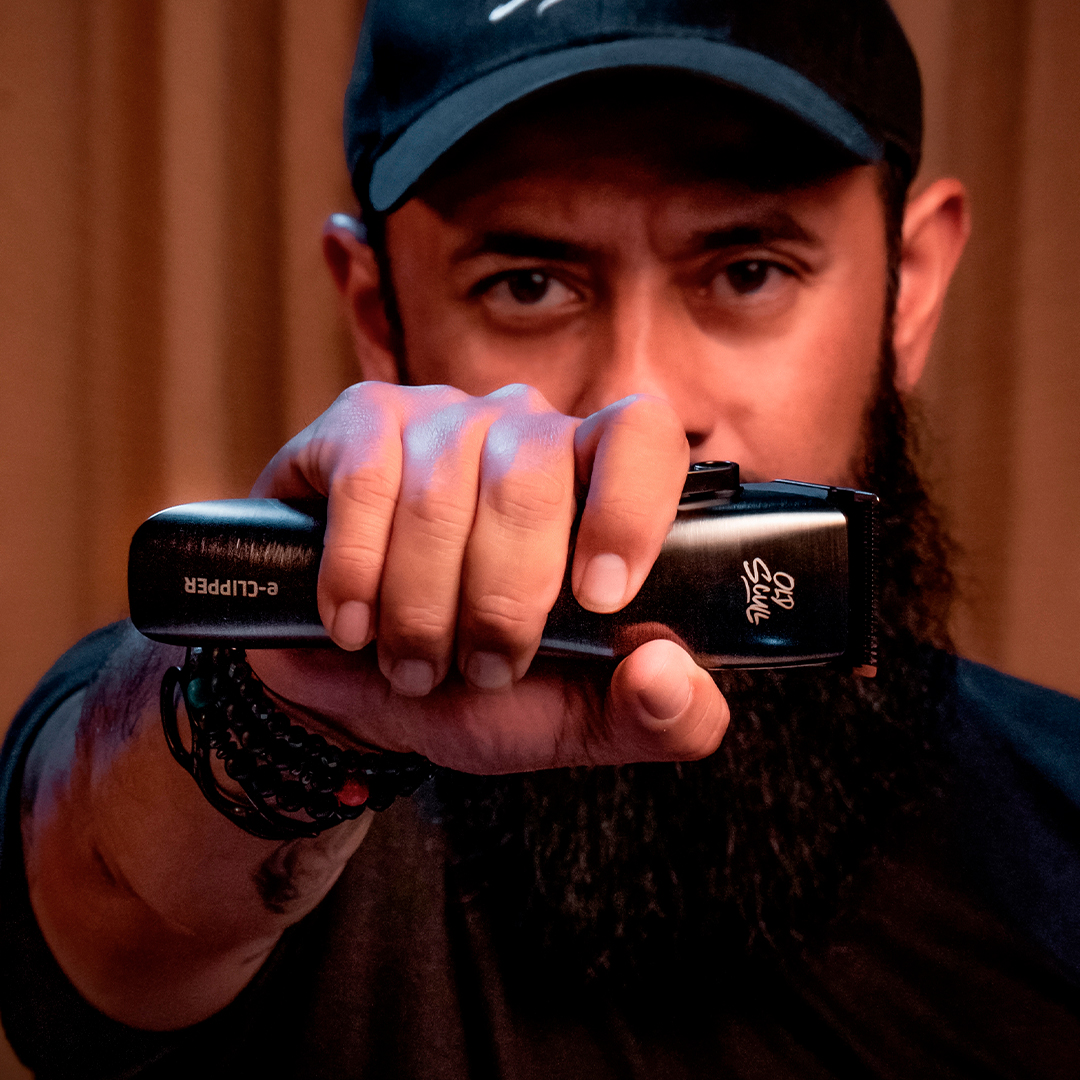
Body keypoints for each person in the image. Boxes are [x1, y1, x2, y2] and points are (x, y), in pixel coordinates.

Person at [2, 1, 1078, 1076]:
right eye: (528, 287)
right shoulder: (266, 697)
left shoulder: (1059, 822)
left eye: (749, 271)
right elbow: (115, 890)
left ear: (908, 291)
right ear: (378, 315)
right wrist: (288, 713)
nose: (640, 406)